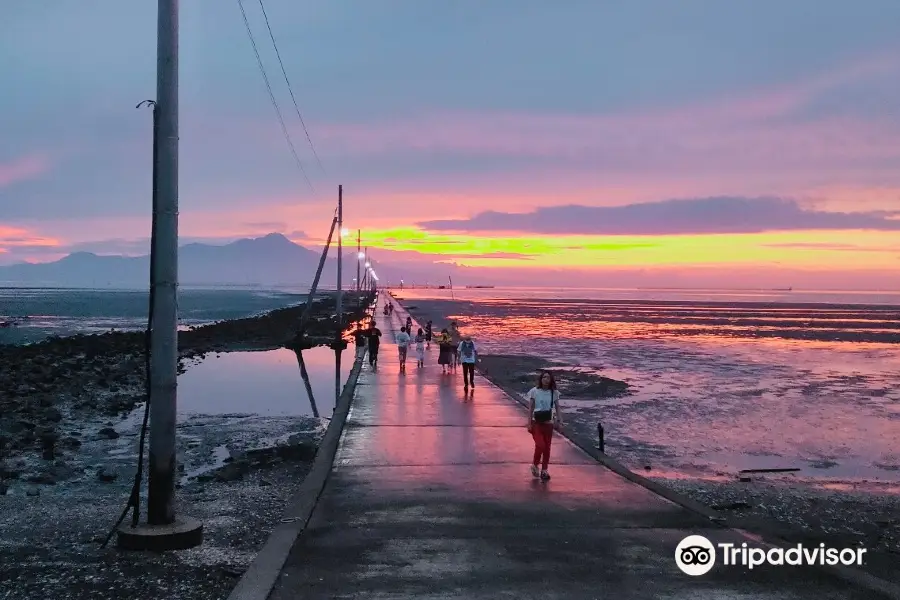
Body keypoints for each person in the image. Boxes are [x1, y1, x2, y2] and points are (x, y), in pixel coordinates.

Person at [525, 371, 564, 481]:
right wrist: (528, 423)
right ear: (541, 379)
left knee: (547, 448)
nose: (546, 379)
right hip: (536, 423)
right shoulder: (534, 391)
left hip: (548, 423)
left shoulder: (554, 392)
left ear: (551, 380)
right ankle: (535, 465)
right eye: (544, 377)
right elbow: (530, 409)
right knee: (540, 445)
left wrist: (560, 421)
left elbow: (557, 407)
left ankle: (544, 470)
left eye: (548, 377)